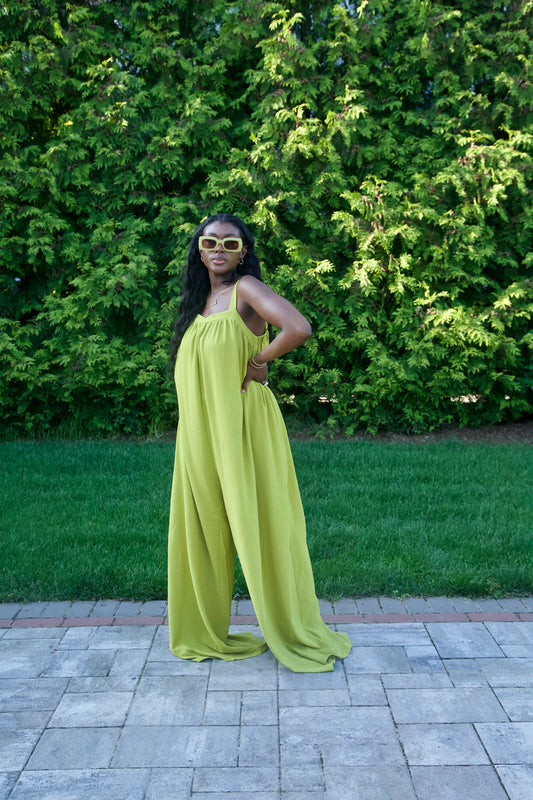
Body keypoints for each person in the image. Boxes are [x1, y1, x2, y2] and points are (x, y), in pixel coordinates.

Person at [167, 213, 352, 672]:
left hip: (244, 428)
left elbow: (298, 327)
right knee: (203, 528)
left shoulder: (246, 289)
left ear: (243, 252)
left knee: (260, 524)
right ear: (199, 249)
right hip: (201, 434)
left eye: (230, 244)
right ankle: (205, 630)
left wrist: (260, 360)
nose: (219, 250)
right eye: (210, 242)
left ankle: (290, 626)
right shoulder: (199, 301)